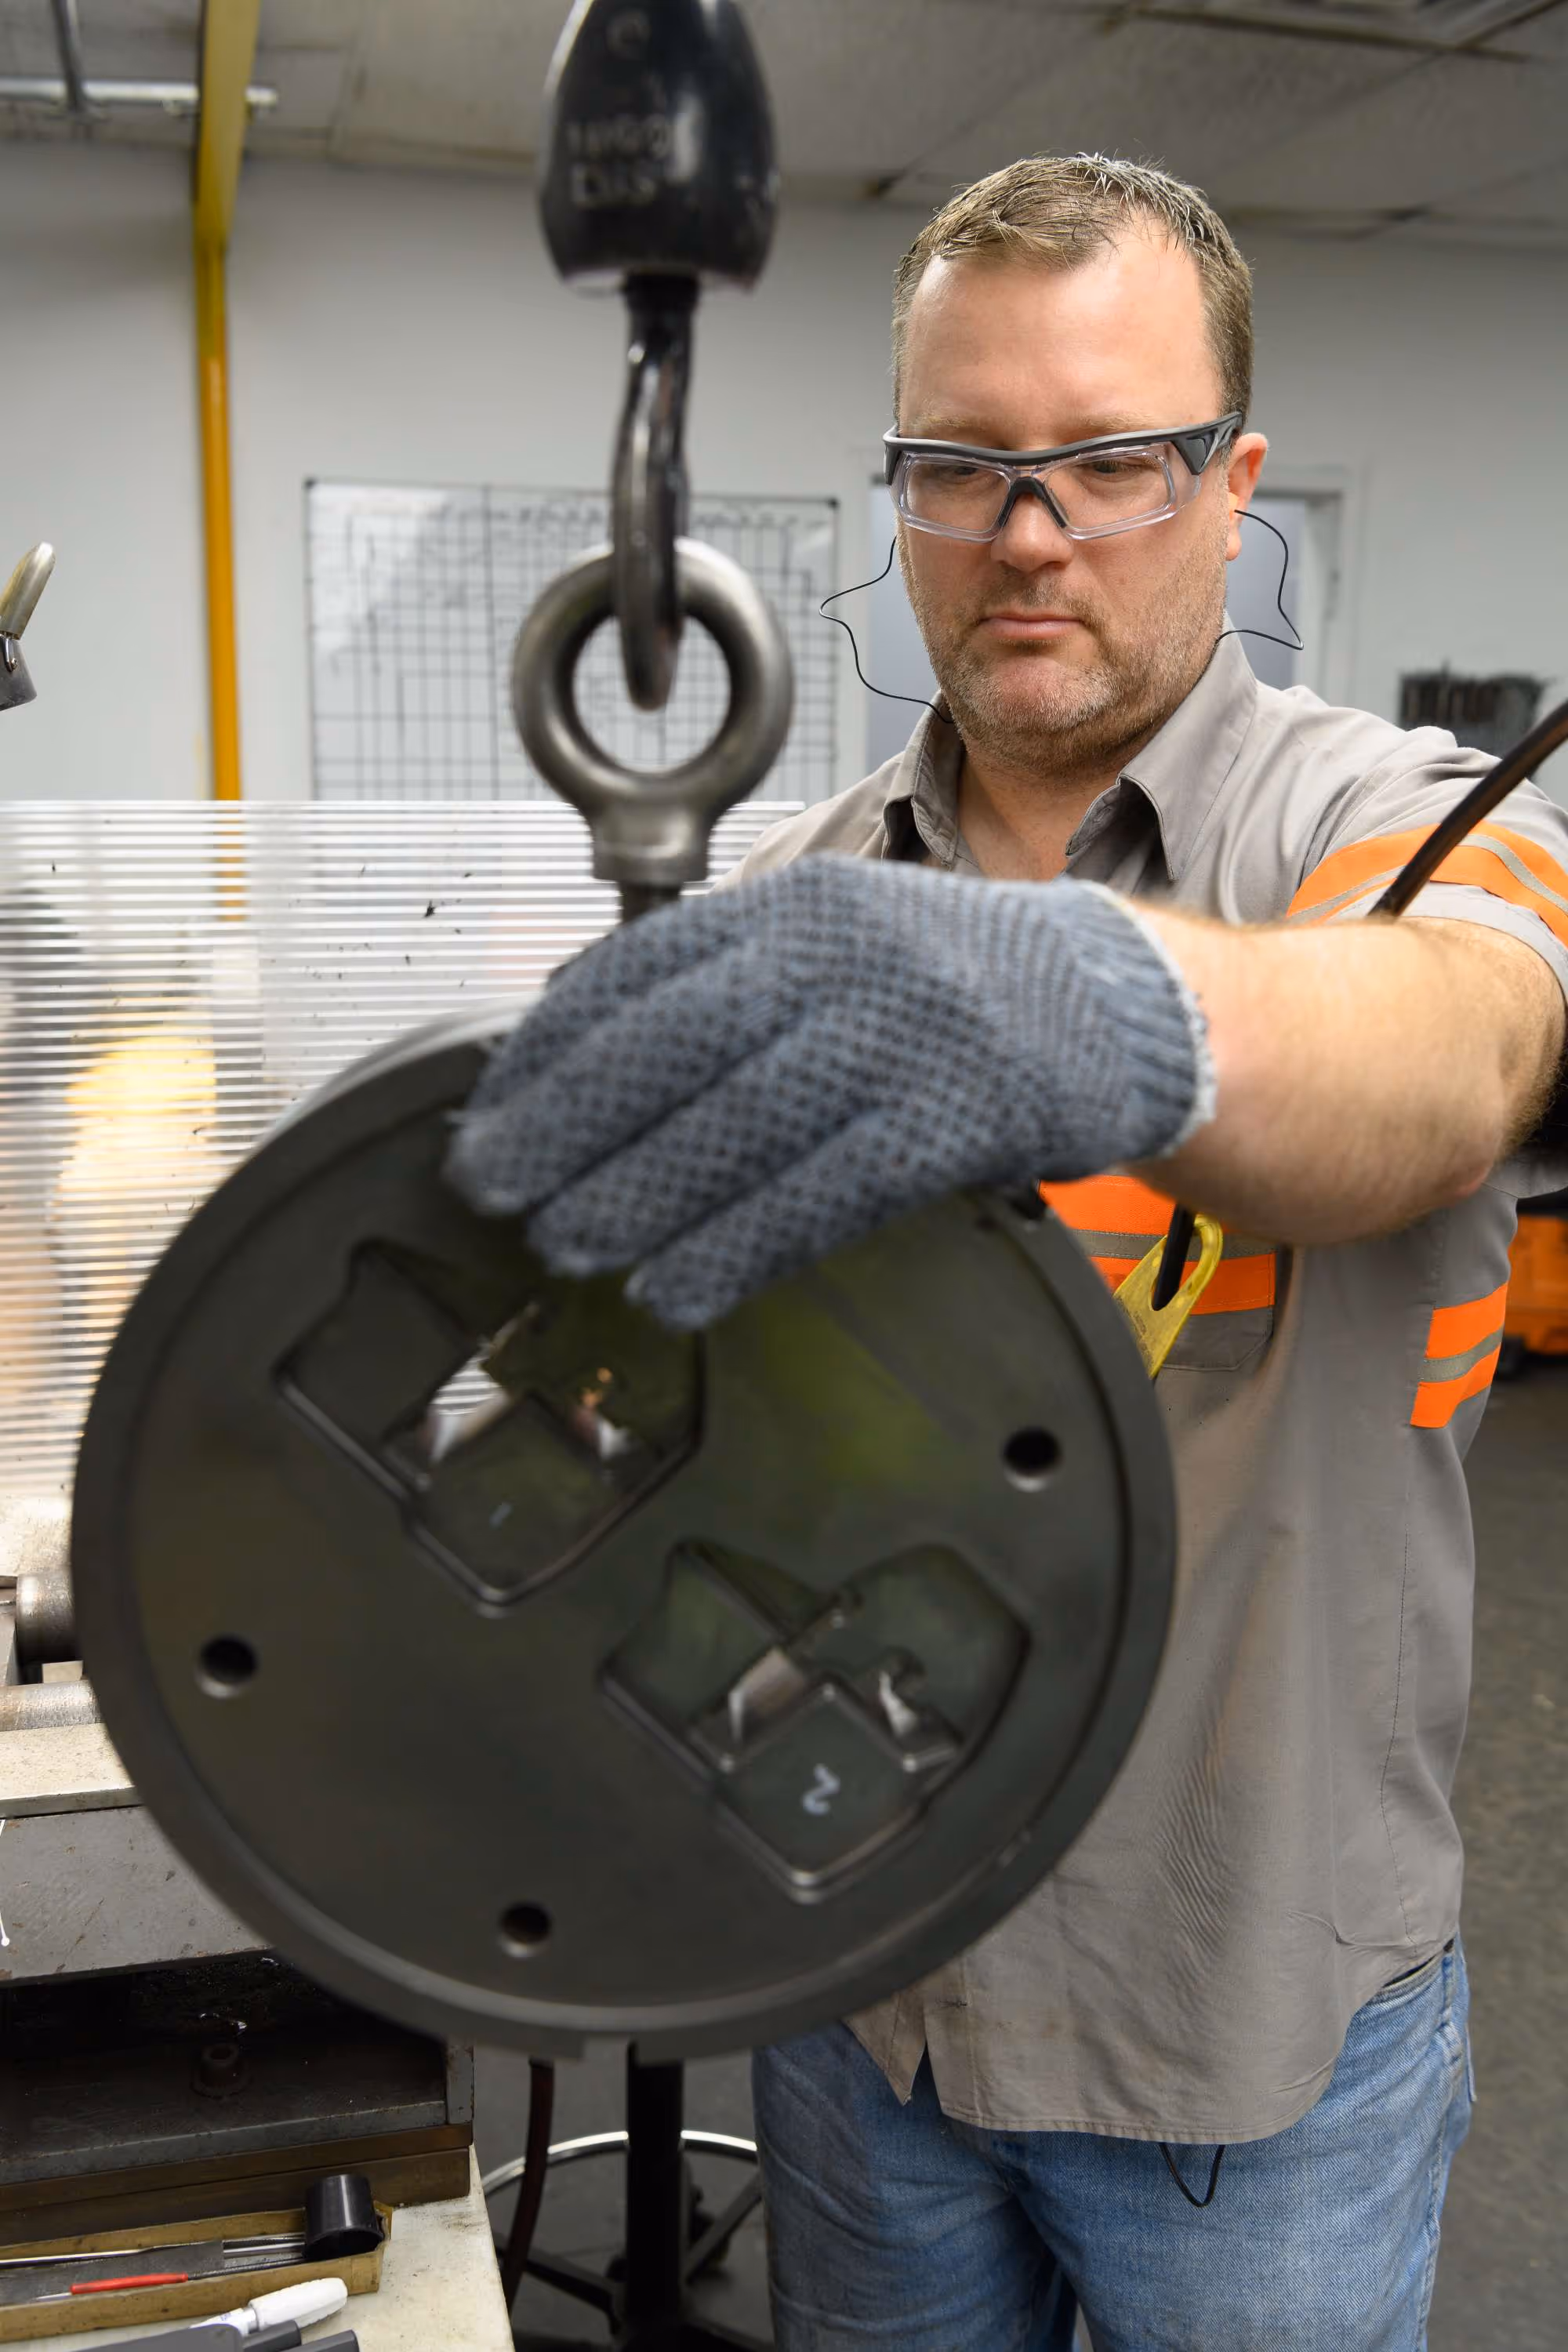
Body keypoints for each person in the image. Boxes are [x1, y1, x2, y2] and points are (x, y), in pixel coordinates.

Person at [449, 156, 1568, 2350]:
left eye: (1112, 461)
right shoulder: (803, 891)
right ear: (899, 494)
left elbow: (1457, 1037)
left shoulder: (1396, 824)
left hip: (1241, 2041)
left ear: (1235, 489)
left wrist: (1111, 1005)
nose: (1032, 529)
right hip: (866, 2002)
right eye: (965, 464)